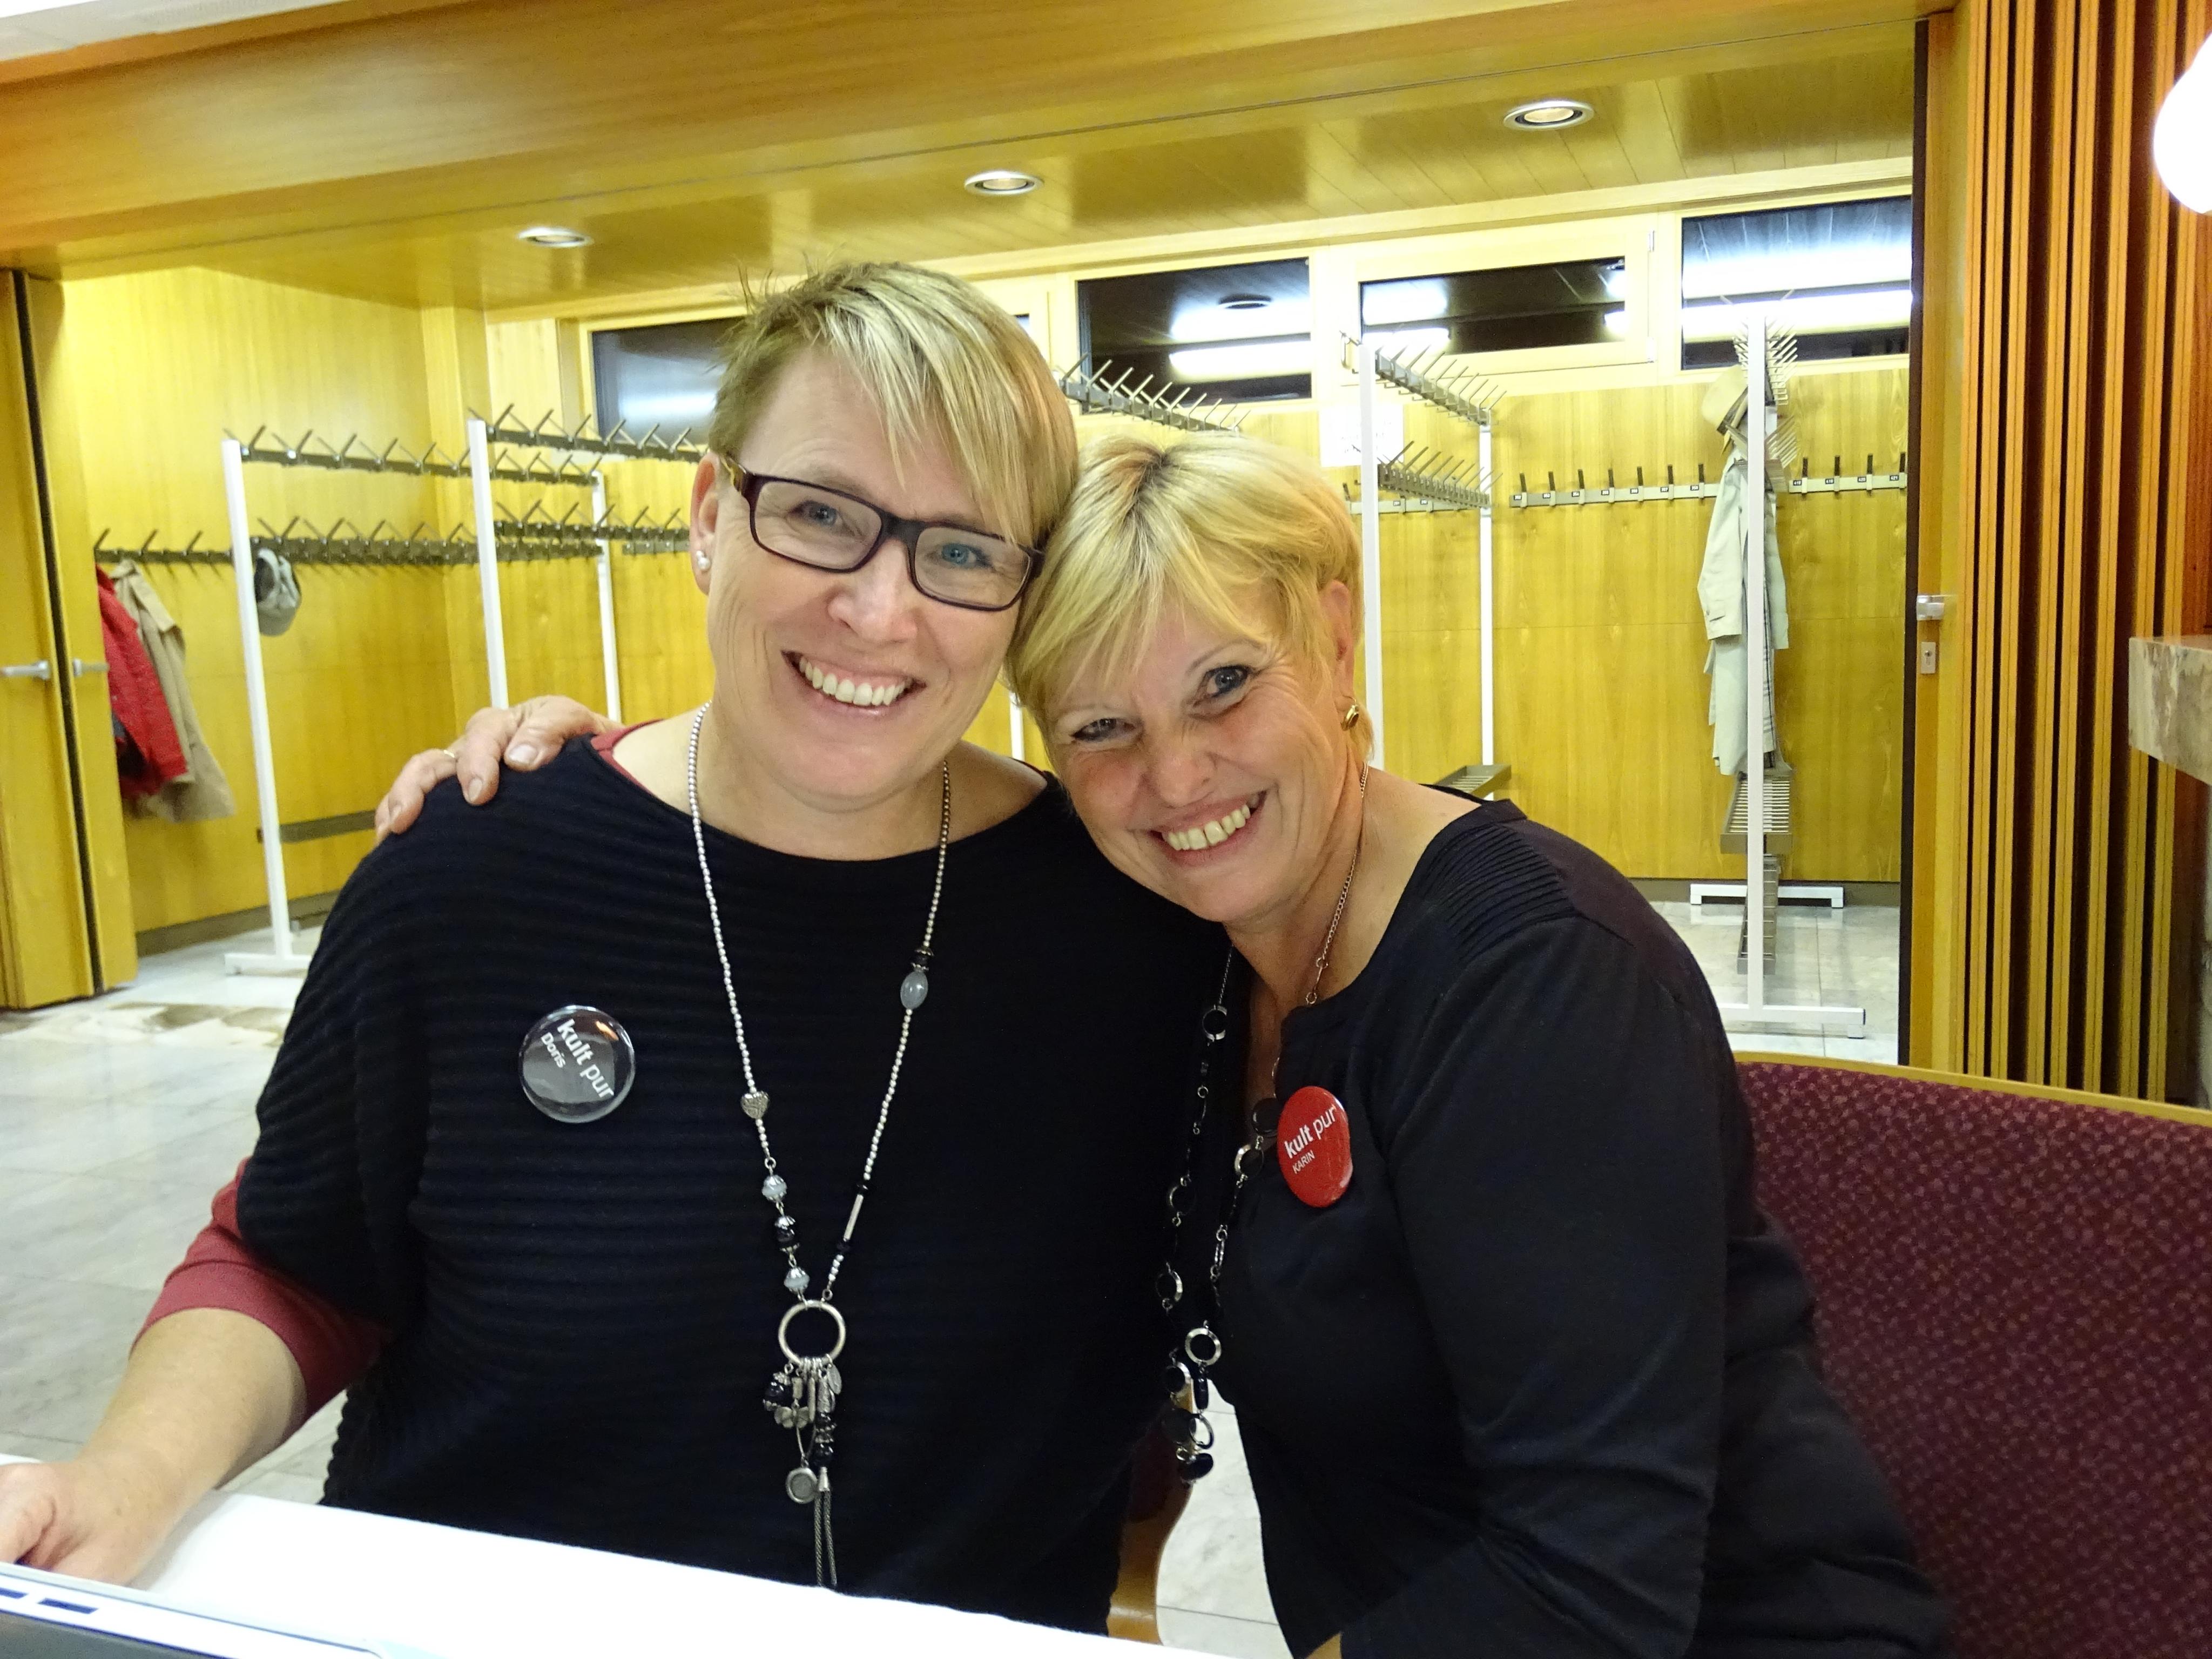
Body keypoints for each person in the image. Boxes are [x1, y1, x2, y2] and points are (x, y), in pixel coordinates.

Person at [410, 432, 1952, 1659]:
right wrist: (592, 777)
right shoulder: (1179, 940)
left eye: (1225, 684)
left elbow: (1593, 1584)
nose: (1176, 776)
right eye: (1102, 728)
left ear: (1333, 642)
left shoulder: (1531, 982)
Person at [0, 264, 1224, 1632]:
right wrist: (125, 1477)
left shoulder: (1134, 920)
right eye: (820, 515)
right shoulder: (471, 871)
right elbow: (298, 1257)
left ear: (1022, 593)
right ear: (709, 516)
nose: (881, 611)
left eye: (963, 549)